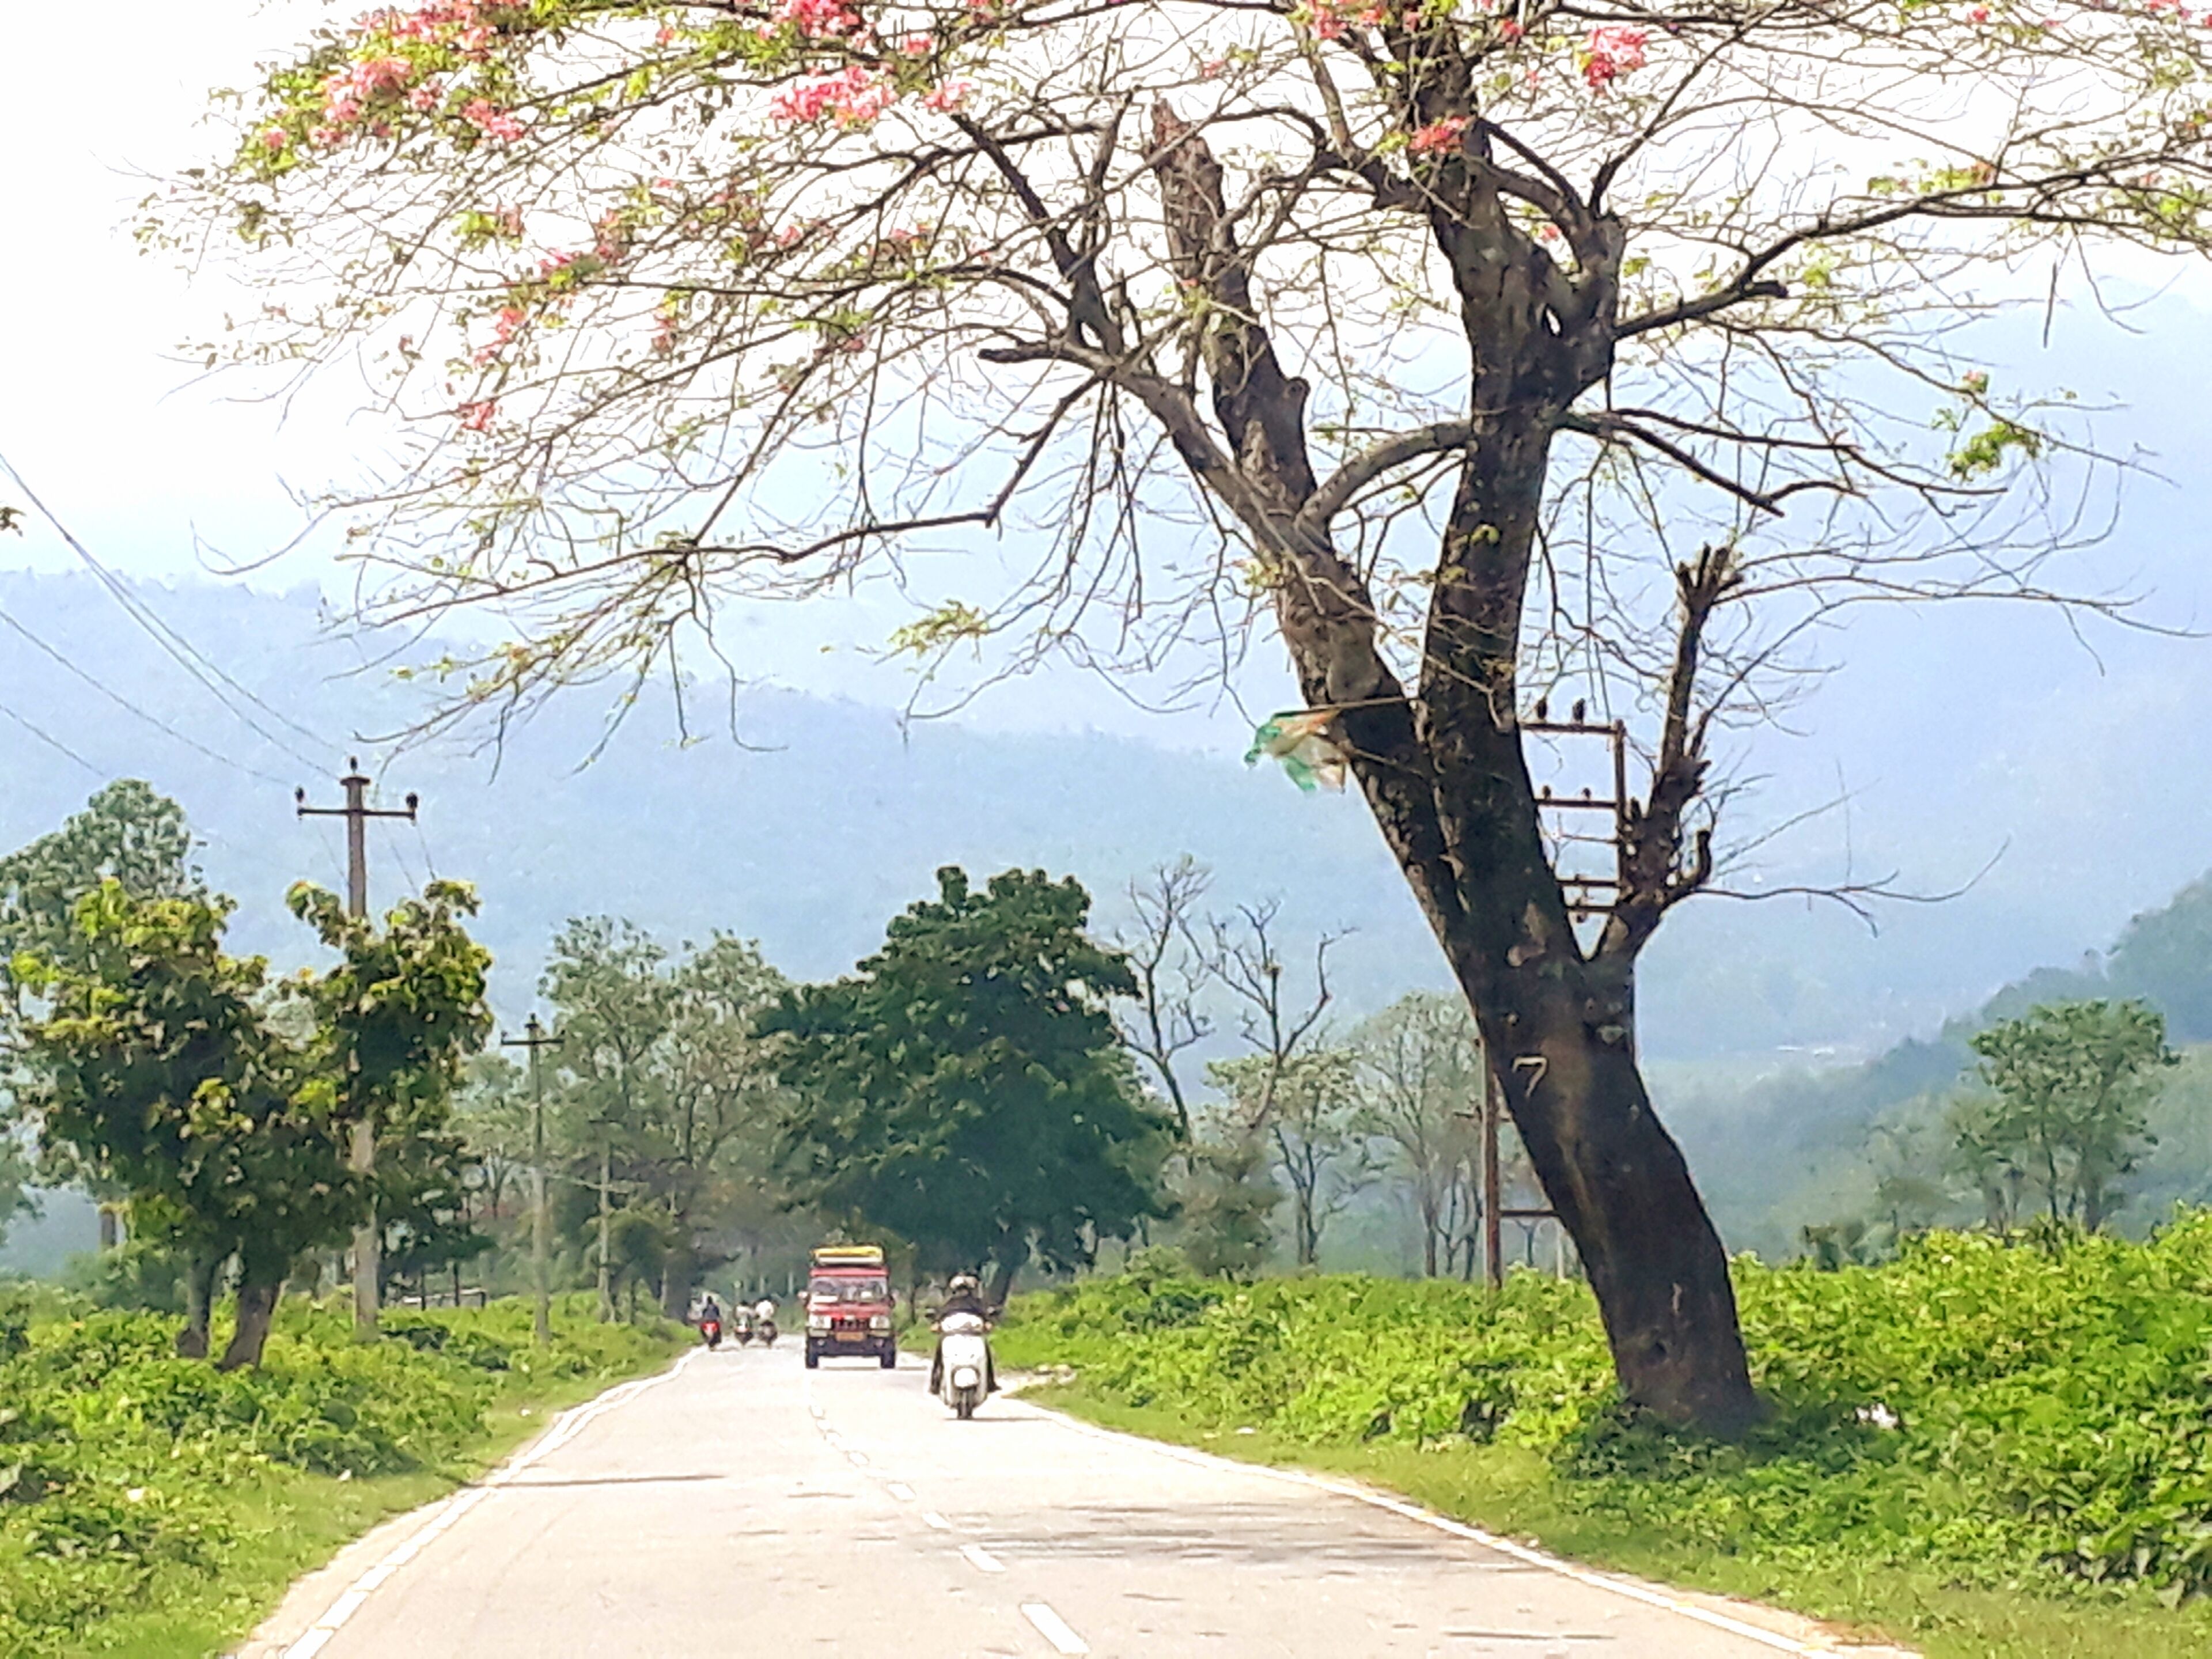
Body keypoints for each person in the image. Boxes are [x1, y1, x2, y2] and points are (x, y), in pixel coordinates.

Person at [929, 1273, 997, 1395]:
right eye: (960, 1289)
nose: (962, 1292)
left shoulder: (976, 1304)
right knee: (940, 1354)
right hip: (952, 1336)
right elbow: (939, 1317)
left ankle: (990, 1382)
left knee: (986, 1353)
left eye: (964, 1289)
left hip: (973, 1336)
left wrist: (987, 1323)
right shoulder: (950, 1304)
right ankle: (936, 1382)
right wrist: (937, 1324)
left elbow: (985, 1316)